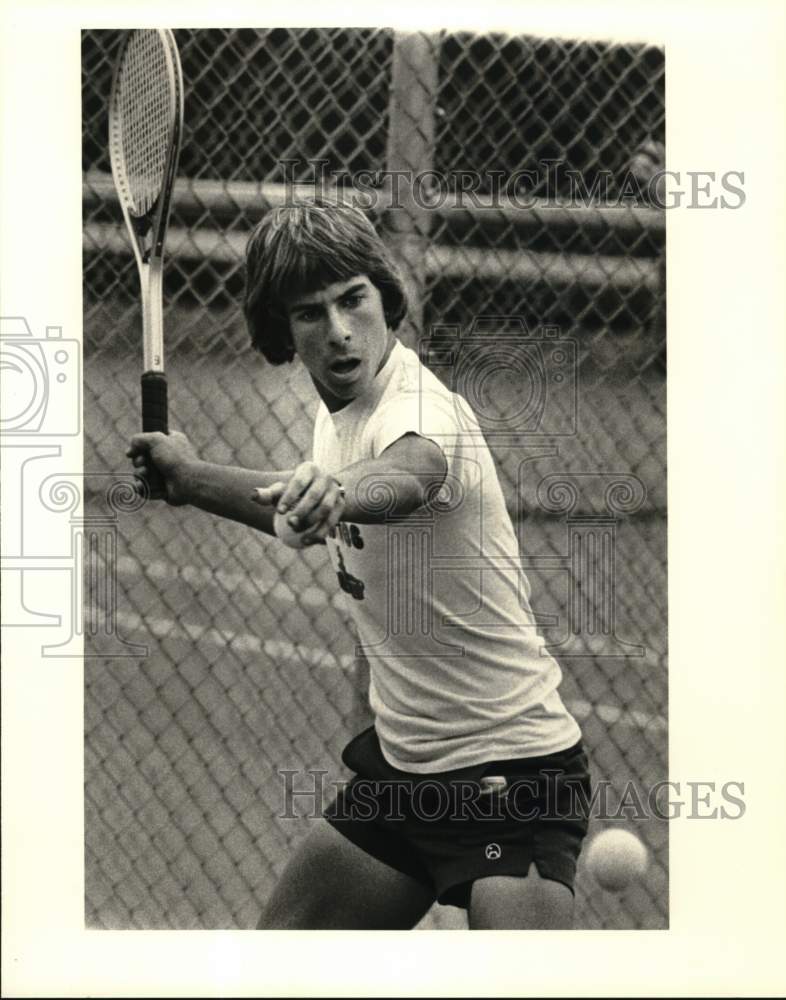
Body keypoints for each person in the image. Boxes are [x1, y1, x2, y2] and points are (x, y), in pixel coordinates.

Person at [127, 197, 591, 930]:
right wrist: (191, 477)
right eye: (311, 314)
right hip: (407, 773)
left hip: (510, 773)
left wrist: (339, 491)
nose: (340, 331)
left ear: (384, 296)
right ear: (282, 329)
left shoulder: (418, 407)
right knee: (281, 958)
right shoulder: (337, 411)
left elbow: (409, 473)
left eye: (354, 300)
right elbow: (295, 508)